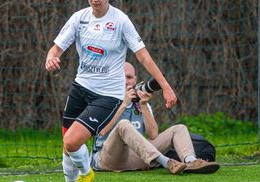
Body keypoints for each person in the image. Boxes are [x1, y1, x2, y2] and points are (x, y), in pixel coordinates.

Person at [45, 0, 177, 182]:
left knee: (72, 141)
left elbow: (143, 56)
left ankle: (86, 174)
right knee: (67, 142)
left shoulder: (120, 21)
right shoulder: (79, 18)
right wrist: (51, 58)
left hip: (107, 95)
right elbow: (56, 48)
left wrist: (166, 87)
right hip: (80, 87)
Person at [91, 62, 220, 174]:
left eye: (129, 77)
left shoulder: (140, 104)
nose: (126, 81)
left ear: (135, 80)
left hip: (134, 157)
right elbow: (101, 131)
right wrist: (124, 104)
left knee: (179, 128)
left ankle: (191, 162)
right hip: (107, 158)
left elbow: (153, 135)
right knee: (123, 124)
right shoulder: (105, 99)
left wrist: (143, 105)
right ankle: (167, 162)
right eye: (122, 76)